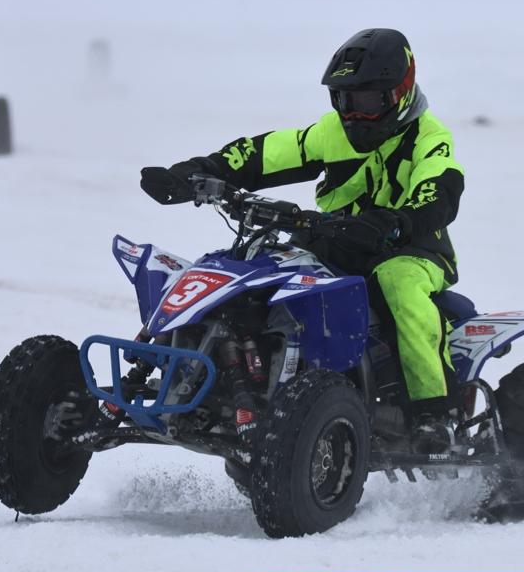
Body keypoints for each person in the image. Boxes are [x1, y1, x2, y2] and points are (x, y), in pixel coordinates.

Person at [140, 28, 465, 451]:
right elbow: (266, 153)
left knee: (398, 285)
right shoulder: (333, 132)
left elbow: (439, 194)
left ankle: (433, 413)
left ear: (399, 94)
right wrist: (198, 171)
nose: (353, 114)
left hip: (411, 248)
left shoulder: (429, 138)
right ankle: (232, 375)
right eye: (343, 100)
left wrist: (397, 221)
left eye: (367, 101)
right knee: (253, 264)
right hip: (336, 241)